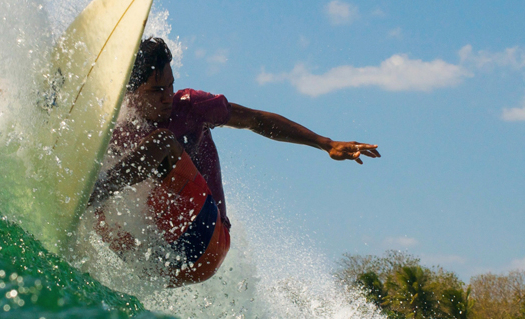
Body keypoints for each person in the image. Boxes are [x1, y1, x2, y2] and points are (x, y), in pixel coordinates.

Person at [88, 37, 379, 287]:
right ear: (130, 92)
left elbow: (255, 120)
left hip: (206, 241)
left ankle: (89, 195)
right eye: (155, 91)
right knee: (101, 200)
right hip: (157, 260)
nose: (167, 97)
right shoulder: (118, 123)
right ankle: (84, 207)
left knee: (161, 144)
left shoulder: (191, 106)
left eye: (170, 86)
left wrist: (325, 143)